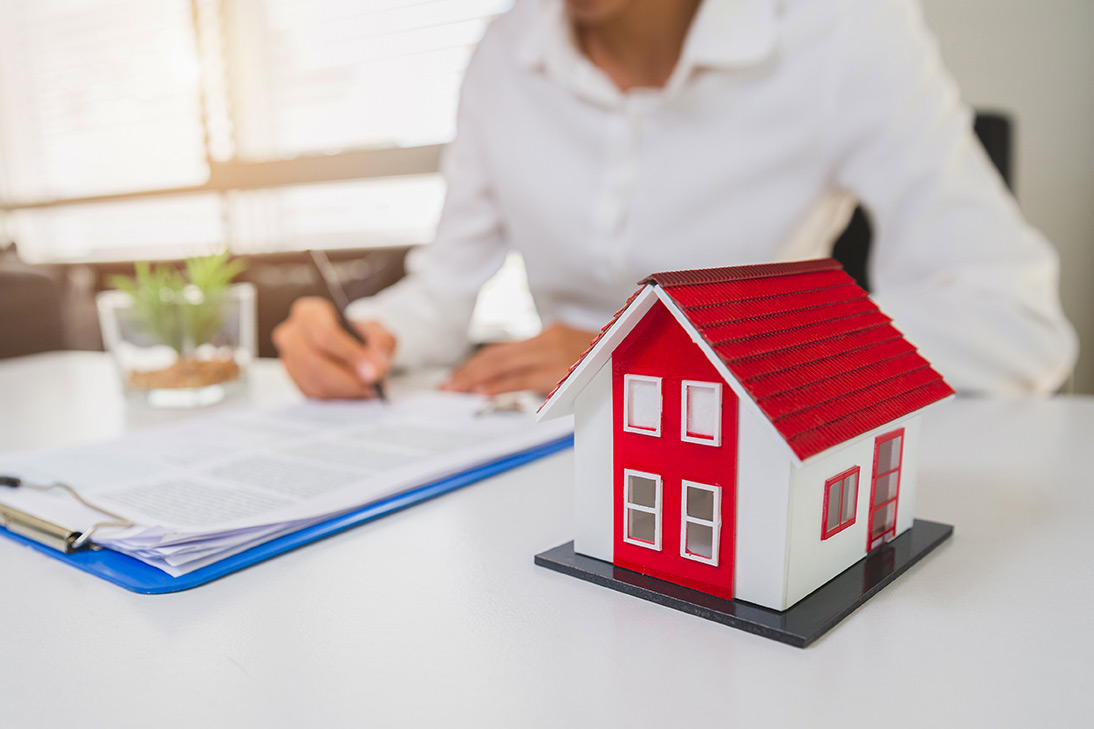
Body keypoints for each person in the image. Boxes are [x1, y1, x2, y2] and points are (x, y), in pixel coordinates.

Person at [273, 0, 1077, 400]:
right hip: (545, 459)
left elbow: (1015, 331)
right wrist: (364, 334)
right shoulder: (503, 54)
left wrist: (658, 357)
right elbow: (444, 289)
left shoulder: (841, 30)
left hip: (749, 456)